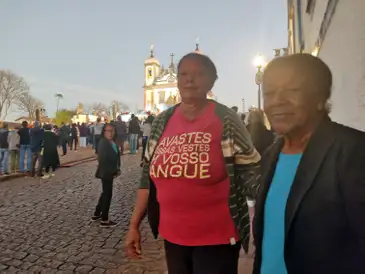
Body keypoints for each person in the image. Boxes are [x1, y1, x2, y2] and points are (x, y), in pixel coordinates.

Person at [125, 52, 260, 274]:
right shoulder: (162, 121)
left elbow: (253, 174)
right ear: (177, 80)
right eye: (184, 74)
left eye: (198, 74)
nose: (189, 79)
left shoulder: (226, 119)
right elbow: (147, 177)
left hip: (217, 239)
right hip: (173, 237)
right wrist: (133, 225)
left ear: (211, 81)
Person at [253, 54, 365, 274]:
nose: (277, 101)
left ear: (320, 98)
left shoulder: (354, 152)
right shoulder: (270, 156)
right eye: (269, 93)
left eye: (292, 91)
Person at [92, 123, 121, 228]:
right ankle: (104, 219)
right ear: (104, 132)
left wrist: (118, 168)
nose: (110, 133)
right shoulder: (103, 143)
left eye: (112, 131)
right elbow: (103, 160)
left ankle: (97, 213)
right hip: (107, 172)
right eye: (108, 131)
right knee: (107, 195)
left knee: (105, 193)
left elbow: (116, 156)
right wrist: (113, 171)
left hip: (110, 171)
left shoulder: (112, 142)